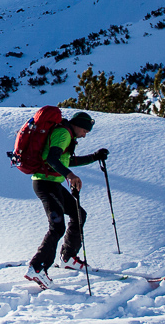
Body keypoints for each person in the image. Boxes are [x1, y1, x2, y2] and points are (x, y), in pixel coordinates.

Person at [25, 111, 107, 289]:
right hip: (45, 184)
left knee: (79, 214)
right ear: (78, 125)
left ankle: (68, 257)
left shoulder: (66, 134)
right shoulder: (63, 134)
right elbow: (52, 159)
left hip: (53, 183)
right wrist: (70, 176)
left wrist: (94, 157)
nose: (85, 134)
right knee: (57, 227)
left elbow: (65, 160)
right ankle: (37, 267)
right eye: (85, 130)